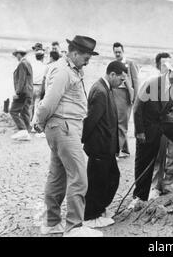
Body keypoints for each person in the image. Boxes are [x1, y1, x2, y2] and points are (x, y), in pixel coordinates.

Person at [34, 35, 102, 237]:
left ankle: (52, 223)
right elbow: (48, 102)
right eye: (86, 56)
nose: (88, 60)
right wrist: (39, 122)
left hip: (64, 127)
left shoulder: (72, 68)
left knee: (57, 176)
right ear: (74, 53)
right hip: (64, 127)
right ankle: (74, 227)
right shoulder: (63, 71)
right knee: (79, 177)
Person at [131, 57, 173, 207]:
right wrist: (140, 131)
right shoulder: (152, 82)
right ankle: (139, 197)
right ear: (170, 71)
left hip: (164, 120)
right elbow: (137, 108)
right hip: (148, 123)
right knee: (145, 158)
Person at [82, 61, 128, 228]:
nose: (122, 83)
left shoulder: (105, 87)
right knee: (97, 182)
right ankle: (91, 217)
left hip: (105, 146)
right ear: (112, 74)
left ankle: (99, 210)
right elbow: (91, 120)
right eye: (121, 79)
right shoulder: (101, 90)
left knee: (111, 178)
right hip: (99, 146)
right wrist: (87, 142)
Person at [149, 53, 173, 199]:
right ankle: (155, 185)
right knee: (159, 152)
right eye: (163, 65)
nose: (166, 68)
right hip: (159, 120)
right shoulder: (154, 83)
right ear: (158, 66)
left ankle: (170, 182)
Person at [112, 42, 139, 158]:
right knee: (116, 122)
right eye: (116, 52)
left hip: (125, 96)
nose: (118, 54)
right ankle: (125, 149)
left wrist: (135, 98)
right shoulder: (113, 64)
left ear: (123, 52)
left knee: (122, 124)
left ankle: (116, 152)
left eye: (119, 52)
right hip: (114, 95)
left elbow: (136, 80)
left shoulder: (130, 63)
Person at [10, 48, 33, 141]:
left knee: (13, 111)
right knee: (25, 112)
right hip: (29, 91)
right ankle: (27, 132)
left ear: (20, 54)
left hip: (23, 92)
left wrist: (17, 92)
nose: (16, 56)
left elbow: (21, 79)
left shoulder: (22, 64)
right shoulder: (27, 62)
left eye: (16, 54)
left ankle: (22, 130)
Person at [30, 48, 47, 128]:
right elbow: (45, 79)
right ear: (42, 57)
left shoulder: (31, 65)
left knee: (30, 106)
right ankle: (34, 124)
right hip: (39, 86)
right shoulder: (44, 66)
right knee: (37, 106)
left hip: (31, 86)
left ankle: (28, 123)